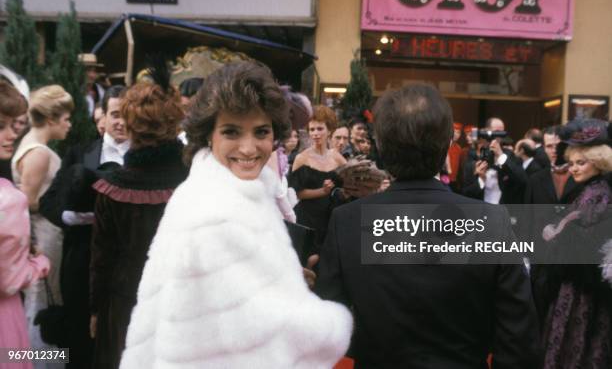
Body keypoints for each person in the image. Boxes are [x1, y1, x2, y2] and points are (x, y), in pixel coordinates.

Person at [120, 62, 352, 368]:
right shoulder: (219, 208)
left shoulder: (223, 191)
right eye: (231, 131)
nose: (248, 148)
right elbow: (271, 332)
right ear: (208, 136)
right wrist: (333, 326)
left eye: (261, 132)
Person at [315, 84, 540, 368]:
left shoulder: (348, 221)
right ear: (447, 143)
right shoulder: (490, 222)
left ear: (381, 145)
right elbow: (520, 343)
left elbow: (325, 329)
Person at [89, 77, 187, 369]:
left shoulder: (112, 187)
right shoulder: (195, 180)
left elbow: (101, 258)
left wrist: (95, 310)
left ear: (131, 125)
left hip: (125, 304)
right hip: (179, 305)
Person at [38, 84, 128, 369]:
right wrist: (71, 218)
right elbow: (48, 202)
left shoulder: (152, 157)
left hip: (127, 266)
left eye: (128, 114)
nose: (121, 121)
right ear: (103, 114)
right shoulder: (80, 153)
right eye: (115, 113)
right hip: (81, 263)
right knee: (78, 346)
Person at [537, 119, 612, 368]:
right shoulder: (591, 190)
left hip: (582, 290)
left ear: (599, 163)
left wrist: (555, 233)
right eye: (572, 163)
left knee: (575, 349)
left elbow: (578, 245)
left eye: (582, 163)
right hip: (577, 285)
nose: (574, 169)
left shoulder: (597, 194)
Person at [11, 85, 72, 362]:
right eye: (66, 119)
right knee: (41, 300)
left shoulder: (33, 147)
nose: (70, 125)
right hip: (43, 235)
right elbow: (27, 201)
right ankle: (37, 361)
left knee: (43, 297)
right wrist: (64, 206)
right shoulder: (39, 153)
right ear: (51, 120)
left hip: (44, 234)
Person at [0, 81, 50, 369]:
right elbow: (9, 281)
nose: (11, 135)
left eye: (13, 125)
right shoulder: (8, 200)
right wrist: (39, 263)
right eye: (1, 126)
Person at [290, 105, 347, 249]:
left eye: (320, 129)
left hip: (331, 219)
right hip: (307, 219)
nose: (315, 133)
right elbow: (297, 193)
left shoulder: (337, 157)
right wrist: (322, 191)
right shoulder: (301, 158)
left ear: (329, 131)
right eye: (312, 129)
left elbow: (348, 183)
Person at [462, 117, 528, 204]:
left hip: (504, 211)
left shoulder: (509, 155)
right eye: (496, 131)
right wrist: (481, 180)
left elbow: (522, 180)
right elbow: (466, 194)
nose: (499, 135)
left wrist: (501, 156)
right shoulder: (473, 159)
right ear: (486, 132)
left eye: (502, 132)